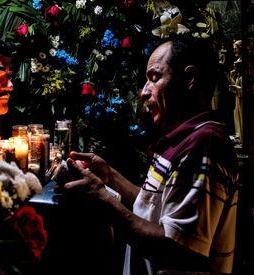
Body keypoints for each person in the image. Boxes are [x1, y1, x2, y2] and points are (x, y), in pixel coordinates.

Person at [63, 35, 240, 274]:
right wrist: (111, 177)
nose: (144, 92)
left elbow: (178, 248)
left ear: (189, 79)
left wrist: (100, 197)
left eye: (154, 78)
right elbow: (156, 208)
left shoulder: (203, 145)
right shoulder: (183, 138)